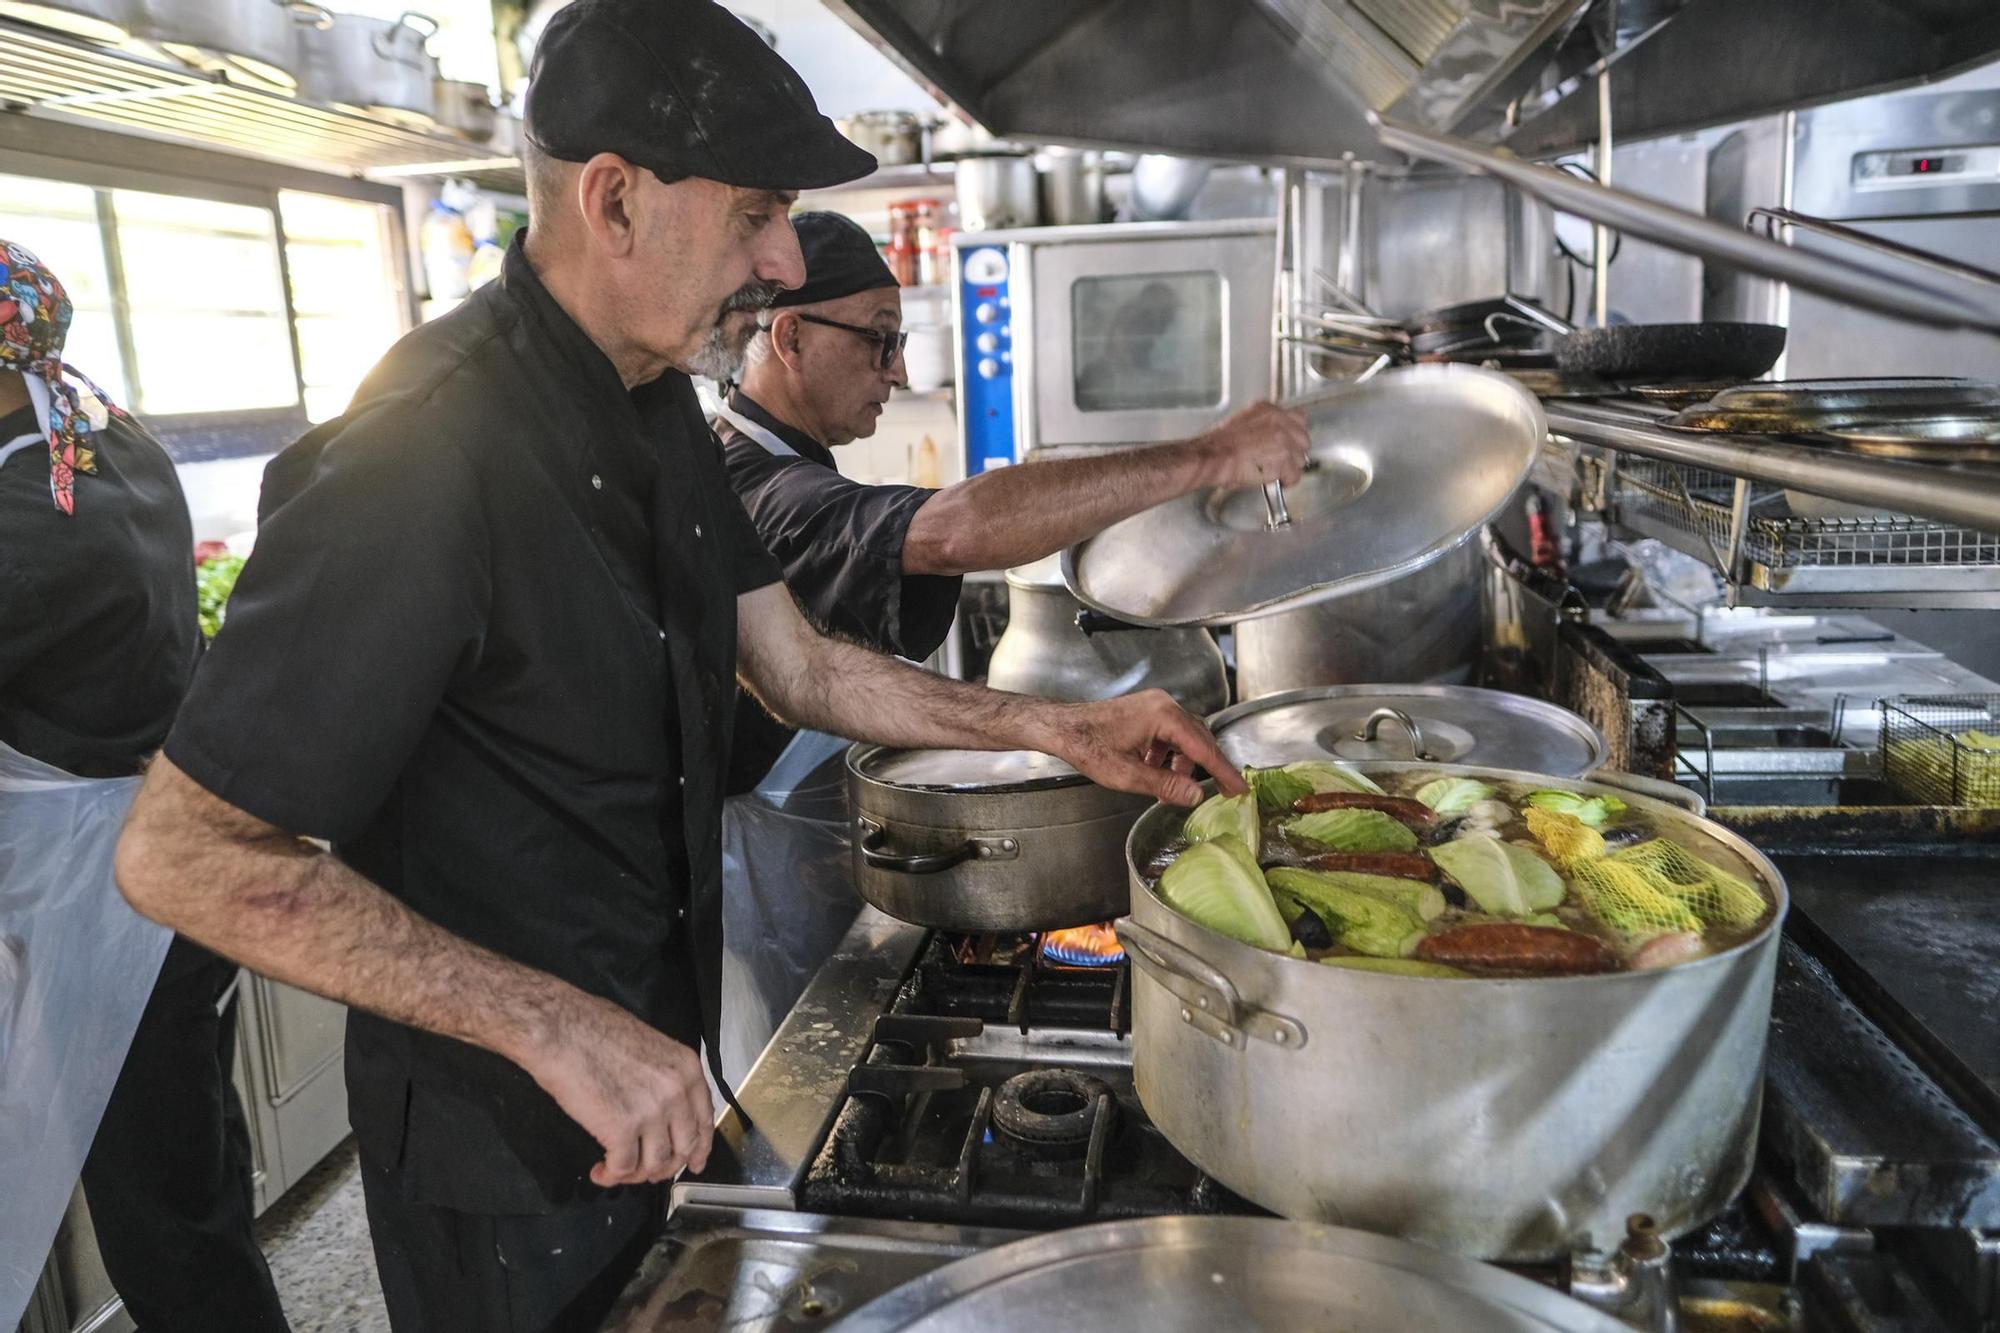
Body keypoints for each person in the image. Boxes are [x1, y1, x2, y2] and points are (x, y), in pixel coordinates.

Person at [109, 4, 1242, 1331]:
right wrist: (551, 1025)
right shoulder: (416, 458)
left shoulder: (659, 409)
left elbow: (802, 668)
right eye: (758, 210)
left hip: (656, 1076)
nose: (778, 257)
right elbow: (183, 854)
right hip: (500, 1160)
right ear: (615, 200)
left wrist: (1062, 730)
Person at [718, 211, 1311, 787]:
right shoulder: (759, 489)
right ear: (791, 338)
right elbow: (952, 531)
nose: (897, 372)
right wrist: (1212, 456)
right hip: (760, 848)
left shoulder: (782, 458)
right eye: (880, 339)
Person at [0, 241, 290, 1331]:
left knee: (162, 1207)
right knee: (189, 1175)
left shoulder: (36, 513)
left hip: (108, 904)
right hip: (160, 867)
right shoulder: (104, 437)